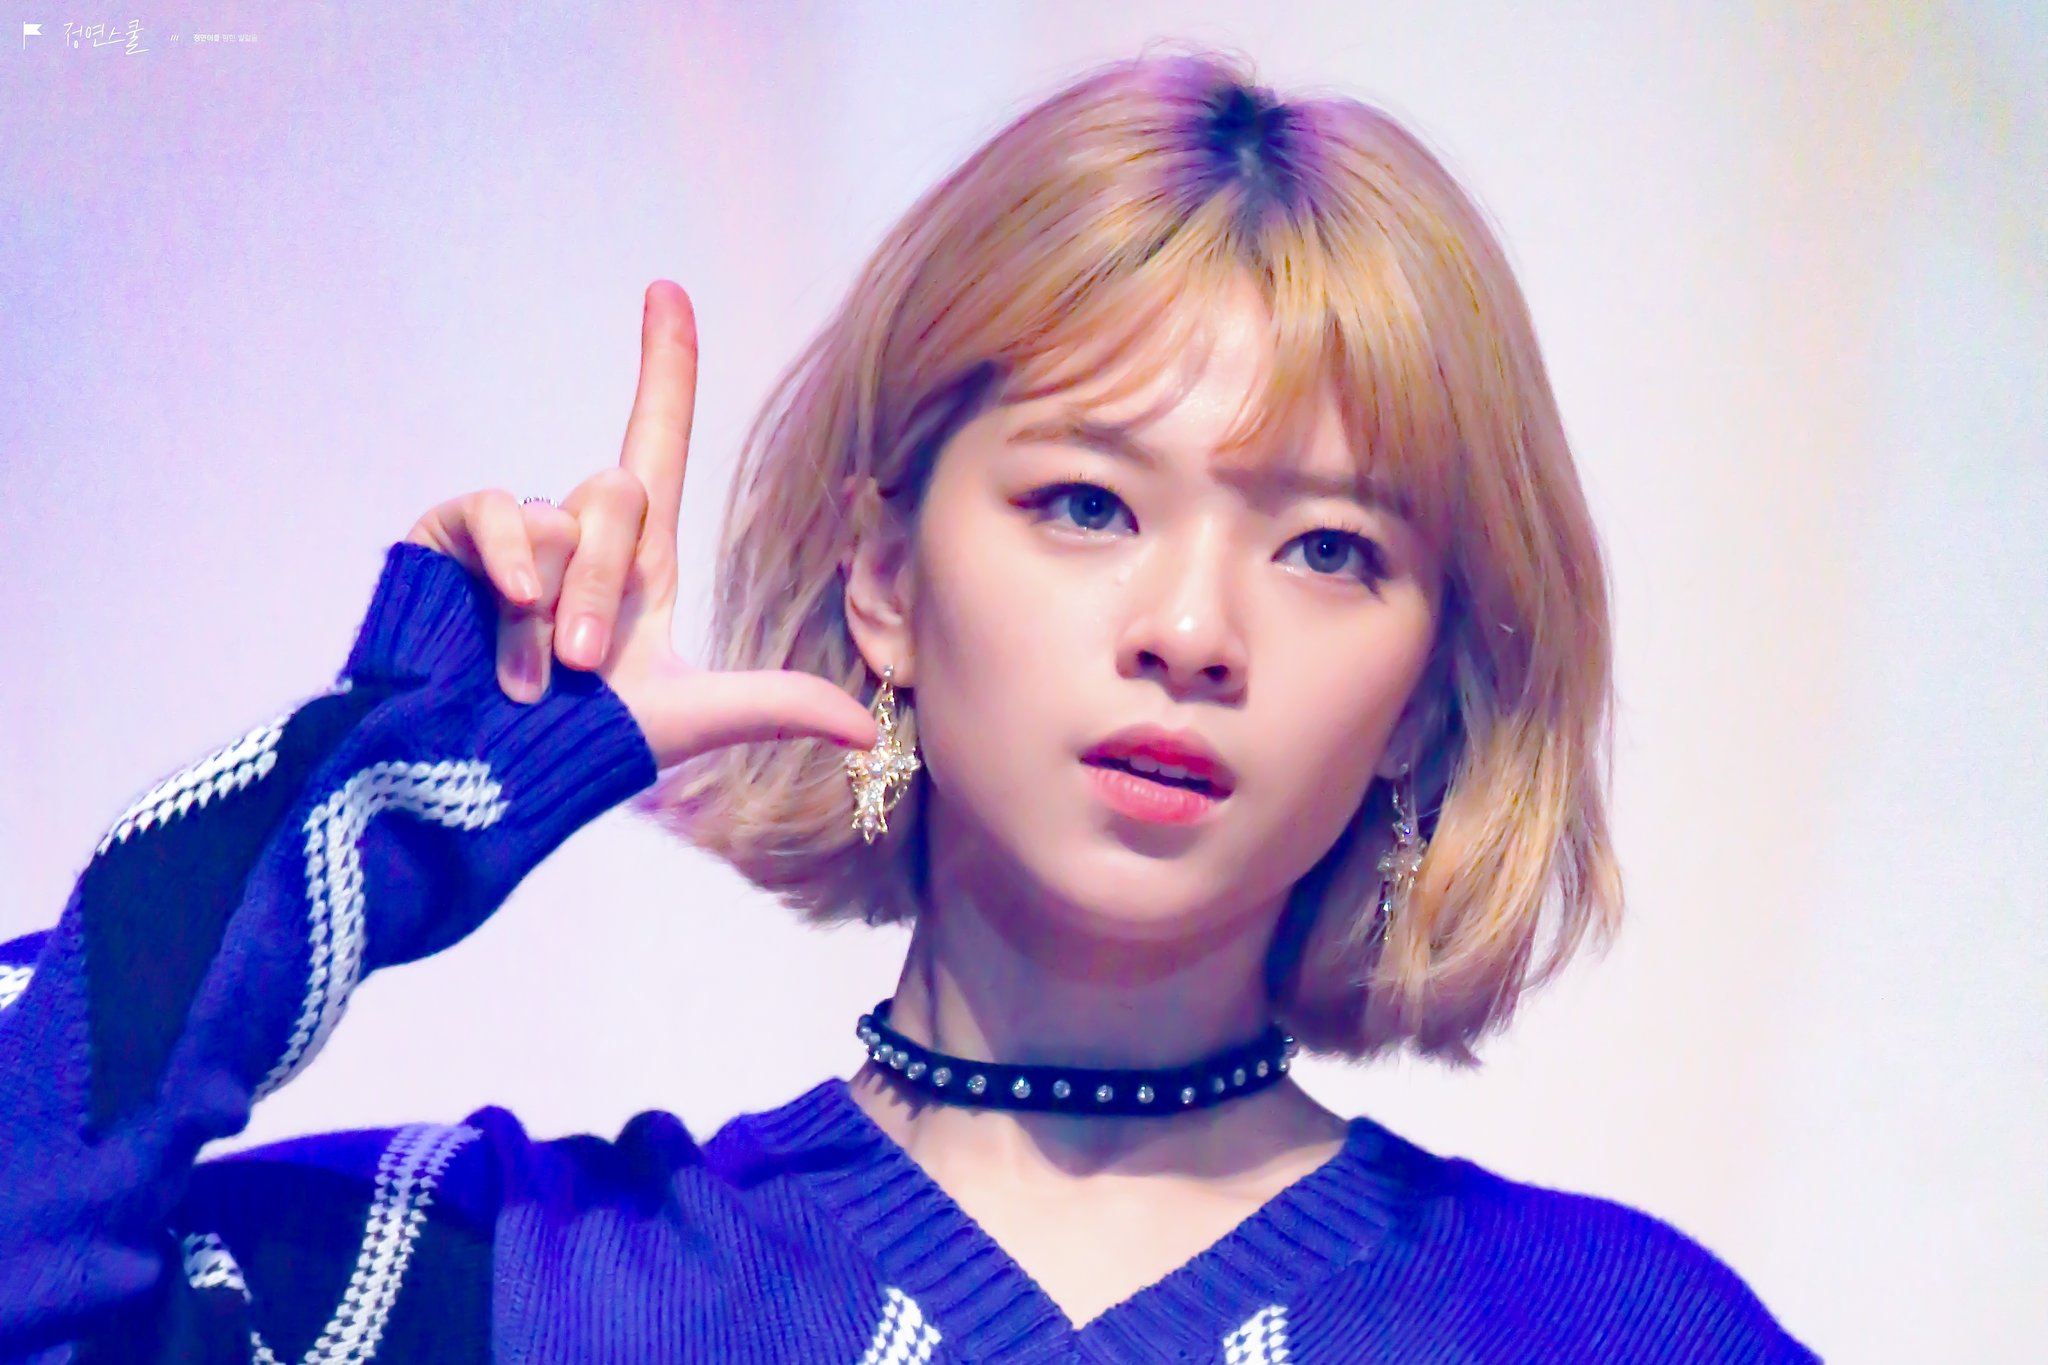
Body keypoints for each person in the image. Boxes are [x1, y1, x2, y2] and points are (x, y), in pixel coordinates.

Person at [0, 49, 1817, 1364]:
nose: (1195, 628)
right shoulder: (499, 1288)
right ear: (885, 578)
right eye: (1086, 504)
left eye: (1330, 549)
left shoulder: (1607, 1328)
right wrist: (380, 791)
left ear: (1422, 695)